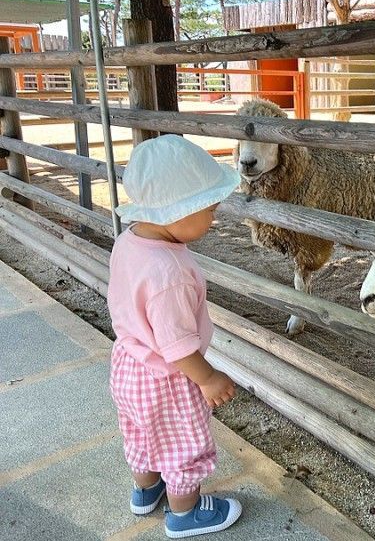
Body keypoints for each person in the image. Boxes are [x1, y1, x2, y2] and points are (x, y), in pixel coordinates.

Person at [107, 134, 242, 538]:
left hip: (129, 365)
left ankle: (146, 492)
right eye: (208, 210)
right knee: (184, 443)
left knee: (139, 431)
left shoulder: (130, 241)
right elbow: (177, 343)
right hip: (168, 376)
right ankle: (185, 513)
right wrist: (208, 377)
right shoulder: (169, 275)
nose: (213, 219)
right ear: (174, 211)